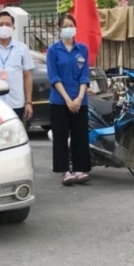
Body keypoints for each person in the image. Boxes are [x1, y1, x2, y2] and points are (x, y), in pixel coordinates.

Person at [46, 13, 91, 186]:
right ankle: (65, 170)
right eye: (64, 26)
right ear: (60, 29)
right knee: (61, 136)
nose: (68, 28)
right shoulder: (53, 50)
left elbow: (84, 76)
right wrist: (67, 99)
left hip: (80, 100)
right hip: (59, 100)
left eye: (70, 25)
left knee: (80, 135)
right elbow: (54, 76)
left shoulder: (83, 49)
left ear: (75, 28)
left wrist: (79, 98)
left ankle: (80, 169)